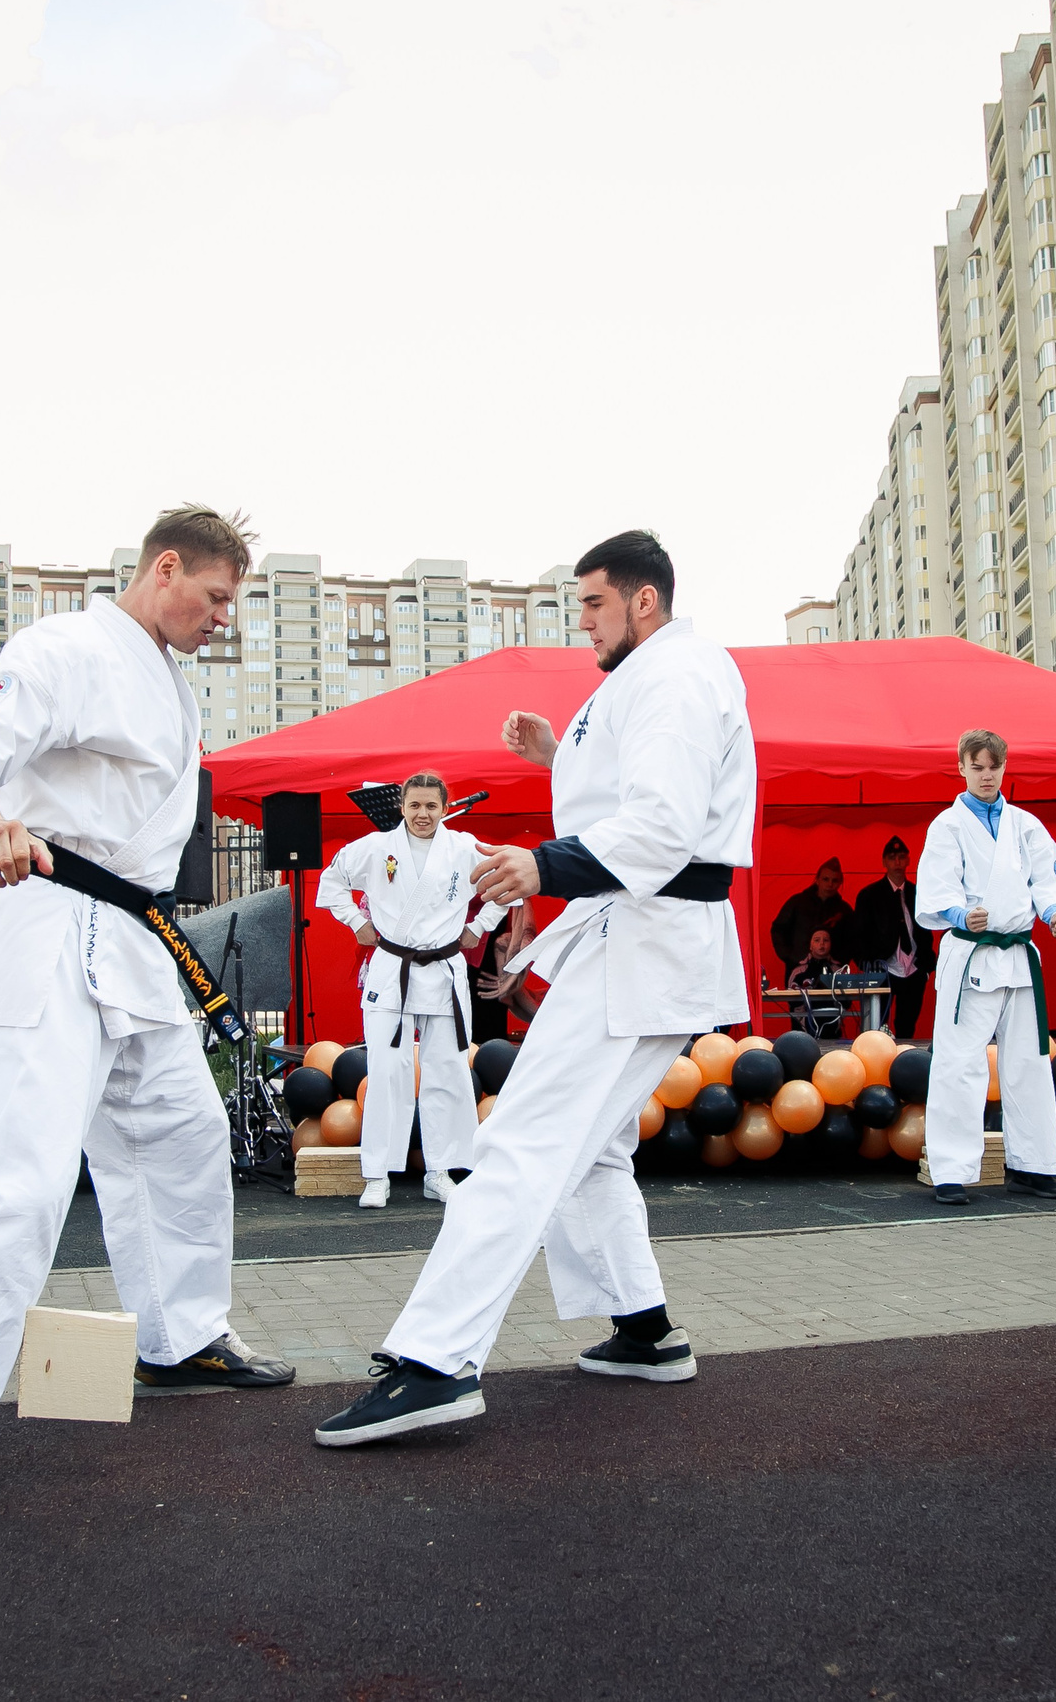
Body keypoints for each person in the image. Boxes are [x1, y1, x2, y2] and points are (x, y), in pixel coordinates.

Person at [0, 504, 295, 1518]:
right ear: (165, 567)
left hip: (130, 936)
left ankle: (180, 1339)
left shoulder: (163, 678)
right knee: (27, 1177)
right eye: (216, 596)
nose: (225, 617)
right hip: (50, 923)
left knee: (181, 1134)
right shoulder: (66, 647)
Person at [315, 529, 755, 1447]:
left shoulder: (677, 672)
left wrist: (544, 861)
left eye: (591, 603)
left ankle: (436, 1361)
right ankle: (641, 1327)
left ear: (642, 599)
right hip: (638, 941)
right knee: (587, 1148)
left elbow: (666, 824)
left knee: (515, 1143)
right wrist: (561, 756)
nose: (581, 621)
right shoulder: (646, 678)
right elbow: (635, 796)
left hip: (642, 943)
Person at [315, 770, 504, 1207]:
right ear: (401, 807)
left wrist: (480, 926)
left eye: (431, 806)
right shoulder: (375, 847)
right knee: (385, 1072)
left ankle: (440, 1170)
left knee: (449, 1071)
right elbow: (331, 883)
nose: (423, 814)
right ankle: (377, 1174)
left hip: (442, 970)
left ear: (443, 807)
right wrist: (358, 922)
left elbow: (506, 889)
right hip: (393, 967)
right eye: (415, 805)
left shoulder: (464, 847)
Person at [914, 729, 1056, 1208]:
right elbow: (937, 888)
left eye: (995, 767)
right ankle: (950, 1170)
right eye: (978, 766)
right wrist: (957, 915)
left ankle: (1033, 1166)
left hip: (1019, 955)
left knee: (1030, 1063)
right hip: (971, 952)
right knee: (958, 1063)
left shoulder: (1025, 824)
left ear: (1004, 768)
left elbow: (1048, 877)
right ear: (962, 768)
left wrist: (1055, 913)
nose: (987, 775)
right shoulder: (946, 826)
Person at [852, 834, 933, 1040]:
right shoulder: (870, 895)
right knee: (879, 1028)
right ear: (884, 862)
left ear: (908, 860)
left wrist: (925, 966)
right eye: (892, 857)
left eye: (901, 857)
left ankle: (906, 1063)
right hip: (884, 967)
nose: (897, 862)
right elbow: (859, 933)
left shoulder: (919, 892)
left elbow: (927, 929)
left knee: (907, 1025)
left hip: (914, 968)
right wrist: (866, 963)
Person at [468, 899, 540, 1045]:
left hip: (486, 971)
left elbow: (527, 932)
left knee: (486, 1036)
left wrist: (512, 972)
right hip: (459, 960)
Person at [770, 857, 852, 980]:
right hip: (798, 969)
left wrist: (841, 959)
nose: (830, 884)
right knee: (799, 999)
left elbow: (853, 938)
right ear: (817, 880)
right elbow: (778, 929)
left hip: (833, 971)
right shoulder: (797, 903)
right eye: (825, 879)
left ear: (840, 882)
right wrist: (789, 956)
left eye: (834, 880)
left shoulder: (844, 910)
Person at [787, 925, 851, 1039]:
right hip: (804, 1031)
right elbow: (792, 1001)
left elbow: (848, 1002)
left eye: (825, 940)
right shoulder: (798, 971)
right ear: (810, 945)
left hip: (833, 1029)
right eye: (817, 940)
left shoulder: (840, 971)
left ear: (831, 944)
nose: (822, 944)